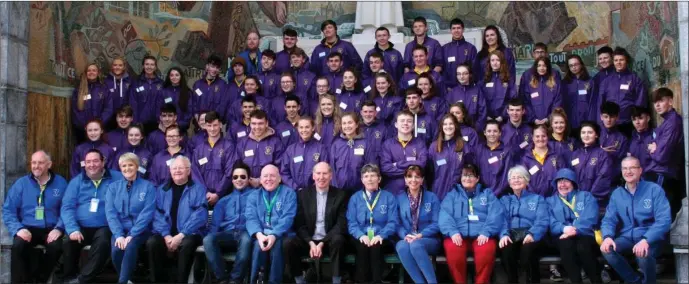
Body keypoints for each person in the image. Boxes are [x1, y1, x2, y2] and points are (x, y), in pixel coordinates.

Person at [600, 156, 671, 284]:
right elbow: (608, 220)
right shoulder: (617, 194)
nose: (628, 171)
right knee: (606, 249)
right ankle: (635, 281)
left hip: (650, 237)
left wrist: (646, 239)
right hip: (627, 237)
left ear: (640, 170)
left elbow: (664, 220)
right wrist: (607, 236)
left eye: (632, 167)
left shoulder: (653, 190)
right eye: (625, 168)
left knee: (642, 254)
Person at [3, 151, 67, 284]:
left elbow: (67, 209)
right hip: (27, 227)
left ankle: (39, 280)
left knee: (56, 247)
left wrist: (59, 228)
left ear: (49, 165)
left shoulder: (61, 183)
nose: (36, 166)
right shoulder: (21, 184)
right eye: (33, 162)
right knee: (18, 246)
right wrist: (18, 229)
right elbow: (8, 210)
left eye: (40, 162)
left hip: (51, 228)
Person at [61, 149, 124, 283]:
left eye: (95, 161)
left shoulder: (117, 178)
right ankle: (68, 278)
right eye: (88, 162)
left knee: (103, 243)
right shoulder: (76, 181)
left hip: (105, 226)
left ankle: (82, 279)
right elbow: (67, 207)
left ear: (103, 162)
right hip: (80, 227)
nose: (91, 165)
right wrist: (73, 229)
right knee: (68, 241)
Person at [147, 155, 208, 283]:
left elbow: (200, 216)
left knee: (187, 244)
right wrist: (166, 236)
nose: (177, 171)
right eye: (174, 168)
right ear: (170, 171)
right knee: (152, 243)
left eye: (181, 168)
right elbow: (156, 215)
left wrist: (181, 235)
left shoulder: (198, 189)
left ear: (188, 171)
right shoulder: (162, 190)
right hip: (166, 234)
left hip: (190, 234)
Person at [440, 163, 504, 284]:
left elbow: (496, 214)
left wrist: (486, 232)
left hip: (482, 235)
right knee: (453, 250)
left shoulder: (487, 194)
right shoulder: (452, 195)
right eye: (465, 175)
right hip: (458, 235)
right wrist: (453, 232)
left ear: (478, 178)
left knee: (486, 250)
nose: (467, 178)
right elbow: (444, 216)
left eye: (471, 175)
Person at [284, 162, 347, 284]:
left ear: (331, 176)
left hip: (329, 241)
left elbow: (341, 224)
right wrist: (311, 242)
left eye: (325, 173)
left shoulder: (340, 195)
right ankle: (299, 280)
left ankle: (336, 281)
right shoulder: (303, 195)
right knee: (288, 243)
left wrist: (323, 242)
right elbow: (300, 224)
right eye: (318, 173)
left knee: (339, 240)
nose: (321, 177)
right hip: (309, 240)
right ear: (313, 176)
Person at [105, 153, 156, 284]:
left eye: (130, 165)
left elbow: (147, 213)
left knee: (130, 246)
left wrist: (132, 234)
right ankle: (128, 279)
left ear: (137, 166)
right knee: (116, 251)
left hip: (141, 230)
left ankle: (122, 281)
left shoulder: (148, 186)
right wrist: (119, 235)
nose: (127, 168)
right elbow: (110, 213)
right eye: (124, 166)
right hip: (120, 230)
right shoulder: (113, 188)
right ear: (120, 168)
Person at [547, 168, 603, 284]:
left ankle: (596, 280)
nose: (562, 184)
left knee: (584, 247)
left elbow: (590, 216)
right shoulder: (550, 201)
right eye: (559, 181)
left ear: (573, 182)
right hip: (561, 235)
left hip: (584, 233)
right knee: (566, 246)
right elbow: (549, 220)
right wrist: (564, 228)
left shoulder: (586, 196)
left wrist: (576, 229)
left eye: (566, 181)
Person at [203, 162, 255, 284]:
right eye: (235, 177)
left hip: (246, 233)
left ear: (248, 179)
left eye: (243, 177)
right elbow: (215, 225)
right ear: (231, 180)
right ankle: (222, 279)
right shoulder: (223, 201)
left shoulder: (256, 196)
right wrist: (212, 236)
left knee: (246, 239)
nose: (239, 180)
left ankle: (235, 280)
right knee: (208, 240)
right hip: (227, 235)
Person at [346, 164, 399, 283]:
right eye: (366, 176)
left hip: (382, 236)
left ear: (379, 179)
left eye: (373, 176)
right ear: (362, 180)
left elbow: (393, 222)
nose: (369, 179)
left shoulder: (389, 197)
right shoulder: (355, 198)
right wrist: (361, 235)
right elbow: (351, 223)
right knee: (362, 246)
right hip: (361, 235)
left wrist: (382, 235)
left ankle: (377, 281)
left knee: (376, 247)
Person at [245, 164, 297, 284]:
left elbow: (287, 218)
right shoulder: (253, 195)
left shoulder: (289, 193)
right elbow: (251, 218)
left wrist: (274, 235)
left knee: (277, 245)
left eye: (272, 176)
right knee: (258, 246)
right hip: (261, 234)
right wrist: (259, 235)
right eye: (265, 176)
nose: (268, 179)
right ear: (261, 180)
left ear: (279, 179)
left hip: (282, 234)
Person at [498, 166, 549, 284]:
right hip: (512, 234)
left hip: (531, 234)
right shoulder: (504, 200)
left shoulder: (537, 199)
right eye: (513, 178)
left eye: (519, 177)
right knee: (506, 248)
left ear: (526, 180)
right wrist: (503, 234)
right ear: (509, 183)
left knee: (528, 250)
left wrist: (532, 234)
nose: (516, 180)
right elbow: (501, 220)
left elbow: (542, 220)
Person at [395, 165, 441, 284]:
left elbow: (437, 223)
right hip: (408, 238)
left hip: (428, 239)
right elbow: (397, 223)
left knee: (416, 245)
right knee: (401, 246)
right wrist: (405, 235)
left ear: (422, 180)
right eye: (409, 176)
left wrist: (420, 235)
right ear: (405, 179)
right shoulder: (399, 198)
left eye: (417, 177)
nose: (413, 180)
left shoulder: (432, 197)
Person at [646, 88, 685, 217]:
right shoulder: (667, 122)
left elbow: (662, 156)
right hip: (660, 173)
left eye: (661, 101)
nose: (657, 105)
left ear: (670, 101)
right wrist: (655, 146)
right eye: (655, 102)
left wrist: (653, 150)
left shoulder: (673, 122)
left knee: (659, 215)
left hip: (664, 174)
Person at [597, 47, 648, 135]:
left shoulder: (634, 79)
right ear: (613, 62)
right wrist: (601, 123)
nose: (618, 62)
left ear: (626, 61)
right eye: (616, 60)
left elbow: (640, 101)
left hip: (629, 123)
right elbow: (600, 103)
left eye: (621, 60)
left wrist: (636, 119)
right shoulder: (606, 81)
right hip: (611, 123)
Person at [191, 111, 237, 207]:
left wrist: (218, 193)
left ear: (220, 125)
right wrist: (206, 192)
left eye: (215, 125)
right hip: (203, 197)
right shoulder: (199, 149)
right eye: (209, 125)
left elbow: (229, 172)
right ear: (205, 126)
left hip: (224, 196)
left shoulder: (229, 147)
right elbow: (195, 174)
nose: (212, 129)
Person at [380, 110, 428, 195]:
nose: (405, 123)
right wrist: (412, 170)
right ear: (396, 125)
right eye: (402, 121)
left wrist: (398, 164)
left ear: (413, 125)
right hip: (393, 191)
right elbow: (386, 168)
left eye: (409, 121)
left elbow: (422, 164)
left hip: (416, 191)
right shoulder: (387, 144)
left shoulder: (420, 143)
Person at [329, 112, 378, 193]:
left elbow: (371, 167)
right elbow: (332, 168)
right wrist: (335, 188)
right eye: (344, 123)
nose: (347, 126)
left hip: (360, 190)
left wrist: (367, 188)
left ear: (356, 125)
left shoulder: (365, 143)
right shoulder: (336, 144)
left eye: (350, 123)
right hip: (339, 190)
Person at [236, 110, 285, 187]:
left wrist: (260, 180)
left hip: (269, 186)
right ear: (250, 124)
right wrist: (247, 180)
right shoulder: (243, 143)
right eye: (254, 124)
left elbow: (280, 166)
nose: (257, 127)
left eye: (260, 123)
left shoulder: (275, 142)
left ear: (266, 124)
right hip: (247, 186)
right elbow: (238, 166)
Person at [280, 117, 330, 191]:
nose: (304, 130)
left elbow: (325, 170)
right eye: (301, 127)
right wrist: (295, 187)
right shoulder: (291, 149)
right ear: (298, 129)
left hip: (315, 191)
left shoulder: (321, 148)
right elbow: (284, 172)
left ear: (312, 128)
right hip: (295, 191)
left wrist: (314, 187)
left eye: (307, 127)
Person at [571, 121, 613, 207]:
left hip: (595, 201)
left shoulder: (602, 154)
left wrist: (589, 197)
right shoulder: (575, 154)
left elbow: (603, 177)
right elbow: (570, 177)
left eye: (590, 132)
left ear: (596, 135)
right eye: (583, 132)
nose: (586, 135)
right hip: (576, 200)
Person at [429, 114, 470, 200]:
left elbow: (469, 169)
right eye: (445, 124)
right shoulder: (434, 147)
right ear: (441, 127)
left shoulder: (464, 145)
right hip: (438, 192)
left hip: (459, 193)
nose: (448, 126)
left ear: (455, 125)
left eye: (451, 124)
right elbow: (429, 172)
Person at [519, 125, 566, 197]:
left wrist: (555, 197)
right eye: (537, 136)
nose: (540, 139)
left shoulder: (557, 156)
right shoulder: (526, 159)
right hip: (533, 200)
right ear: (533, 138)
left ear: (547, 137)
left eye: (543, 136)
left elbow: (563, 177)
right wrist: (535, 198)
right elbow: (524, 182)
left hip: (555, 199)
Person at [71, 62, 113, 141]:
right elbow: (76, 110)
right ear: (85, 73)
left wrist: (99, 123)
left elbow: (108, 108)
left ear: (98, 73)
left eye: (94, 70)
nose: (91, 72)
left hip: (100, 129)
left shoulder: (104, 89)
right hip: (83, 130)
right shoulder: (79, 90)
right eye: (89, 70)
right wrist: (86, 125)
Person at [476, 120, 513, 196]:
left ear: (500, 133)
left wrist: (496, 192)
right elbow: (476, 173)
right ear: (484, 133)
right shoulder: (478, 149)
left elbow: (507, 175)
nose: (492, 134)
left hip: (501, 194)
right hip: (482, 194)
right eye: (489, 131)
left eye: (495, 131)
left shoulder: (506, 151)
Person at [522, 57, 562, 125]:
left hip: (551, 122)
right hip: (533, 122)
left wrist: (549, 118)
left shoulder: (554, 82)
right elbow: (526, 101)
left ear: (548, 67)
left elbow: (558, 101)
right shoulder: (530, 83)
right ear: (536, 67)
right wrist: (533, 119)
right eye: (539, 65)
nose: (541, 68)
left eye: (544, 65)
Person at [480, 50, 517, 123]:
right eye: (492, 60)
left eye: (498, 60)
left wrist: (503, 116)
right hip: (487, 119)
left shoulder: (509, 80)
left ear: (502, 62)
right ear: (489, 62)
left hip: (504, 119)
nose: (495, 63)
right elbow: (480, 100)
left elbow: (512, 99)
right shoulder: (484, 80)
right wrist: (486, 115)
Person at [191, 54, 230, 124]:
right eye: (212, 66)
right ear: (207, 66)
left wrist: (214, 120)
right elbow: (194, 103)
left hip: (214, 124)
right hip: (199, 123)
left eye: (217, 67)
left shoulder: (223, 85)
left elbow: (223, 105)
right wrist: (197, 116)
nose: (214, 69)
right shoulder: (197, 84)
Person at [130, 55, 164, 132]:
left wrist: (161, 120)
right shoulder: (136, 82)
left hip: (157, 122)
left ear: (155, 67)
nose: (149, 67)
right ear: (143, 66)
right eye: (147, 64)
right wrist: (135, 122)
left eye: (152, 64)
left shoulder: (161, 84)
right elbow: (133, 103)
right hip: (140, 122)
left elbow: (164, 102)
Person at [447, 64, 487, 129]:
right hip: (456, 129)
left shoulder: (477, 91)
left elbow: (482, 111)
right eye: (459, 74)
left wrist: (477, 128)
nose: (461, 76)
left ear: (470, 75)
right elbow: (448, 112)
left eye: (465, 74)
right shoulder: (452, 92)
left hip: (474, 128)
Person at [562, 54, 596, 132]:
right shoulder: (565, 83)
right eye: (571, 65)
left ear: (581, 64)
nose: (574, 67)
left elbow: (593, 103)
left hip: (586, 122)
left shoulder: (590, 81)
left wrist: (591, 121)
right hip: (569, 122)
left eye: (576, 64)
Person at [442, 18, 478, 90]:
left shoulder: (471, 48)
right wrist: (447, 85)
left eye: (459, 28)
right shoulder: (444, 49)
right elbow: (443, 70)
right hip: (450, 89)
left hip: (468, 88)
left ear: (463, 29)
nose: (456, 30)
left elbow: (474, 69)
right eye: (454, 28)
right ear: (450, 31)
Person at [599, 101, 630, 181]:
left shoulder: (622, 139)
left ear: (617, 117)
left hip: (613, 179)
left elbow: (622, 161)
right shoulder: (595, 133)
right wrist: (600, 152)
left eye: (612, 117)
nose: (608, 120)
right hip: (594, 176)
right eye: (606, 117)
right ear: (601, 117)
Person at [160, 66, 193, 131]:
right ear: (169, 77)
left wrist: (179, 124)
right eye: (172, 75)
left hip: (181, 127)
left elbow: (189, 111)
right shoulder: (163, 91)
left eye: (177, 75)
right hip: (165, 127)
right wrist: (163, 123)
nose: (174, 77)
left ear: (181, 77)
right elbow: (159, 108)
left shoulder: (188, 92)